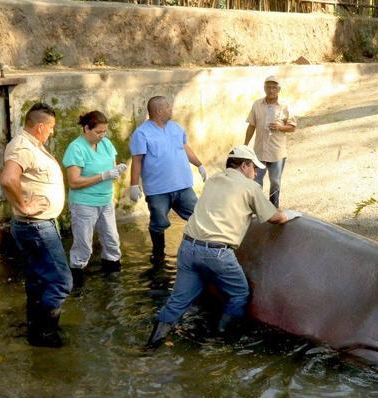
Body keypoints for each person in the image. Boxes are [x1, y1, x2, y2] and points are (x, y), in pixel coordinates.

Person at [145, 145, 301, 349]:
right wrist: (292, 214)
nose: (255, 174)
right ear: (244, 165)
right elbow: (275, 217)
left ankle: (149, 347)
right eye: (255, 168)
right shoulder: (249, 187)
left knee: (177, 302)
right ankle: (220, 341)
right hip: (217, 253)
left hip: (187, 248)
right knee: (239, 294)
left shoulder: (213, 180)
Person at [0, 103, 72, 348]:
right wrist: (25, 205)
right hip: (36, 226)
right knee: (62, 281)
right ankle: (46, 334)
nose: (52, 132)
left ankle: (34, 331)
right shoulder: (22, 147)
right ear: (40, 126)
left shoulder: (32, 144)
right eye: (50, 128)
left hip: (37, 225)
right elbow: (8, 178)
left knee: (38, 279)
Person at [128, 96, 208, 264]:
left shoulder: (176, 128)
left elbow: (185, 147)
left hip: (183, 186)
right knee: (159, 223)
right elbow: (137, 160)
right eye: (168, 107)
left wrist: (199, 165)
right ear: (159, 111)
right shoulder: (142, 133)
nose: (171, 110)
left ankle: (202, 250)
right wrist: (134, 185)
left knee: (198, 217)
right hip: (158, 189)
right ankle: (158, 254)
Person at [62, 111, 126, 286]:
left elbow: (111, 167)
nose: (102, 135)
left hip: (105, 201)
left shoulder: (106, 144)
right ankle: (77, 282)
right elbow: (74, 182)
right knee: (83, 246)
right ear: (86, 129)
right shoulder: (76, 148)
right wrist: (103, 176)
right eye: (98, 132)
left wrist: (117, 172)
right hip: (84, 203)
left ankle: (113, 280)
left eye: (104, 131)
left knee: (112, 240)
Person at [244, 75, 297, 207]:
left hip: (277, 152)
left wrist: (280, 127)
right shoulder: (257, 104)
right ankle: (258, 208)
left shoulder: (284, 106)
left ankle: (273, 208)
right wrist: (245, 144)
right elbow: (251, 125)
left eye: (274, 87)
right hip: (259, 152)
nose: (271, 90)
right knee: (256, 180)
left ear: (279, 90)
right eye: (268, 87)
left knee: (275, 181)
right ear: (264, 88)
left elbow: (292, 127)